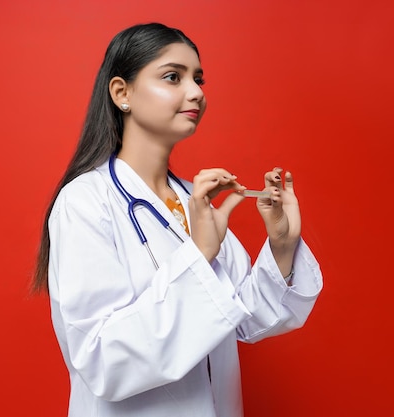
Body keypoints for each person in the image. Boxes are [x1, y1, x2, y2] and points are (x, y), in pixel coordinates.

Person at [32, 22, 323, 417]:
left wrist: (282, 246)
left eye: (199, 79)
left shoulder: (192, 199)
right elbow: (103, 361)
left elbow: (245, 318)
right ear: (122, 93)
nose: (197, 93)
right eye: (173, 77)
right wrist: (199, 254)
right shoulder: (85, 202)